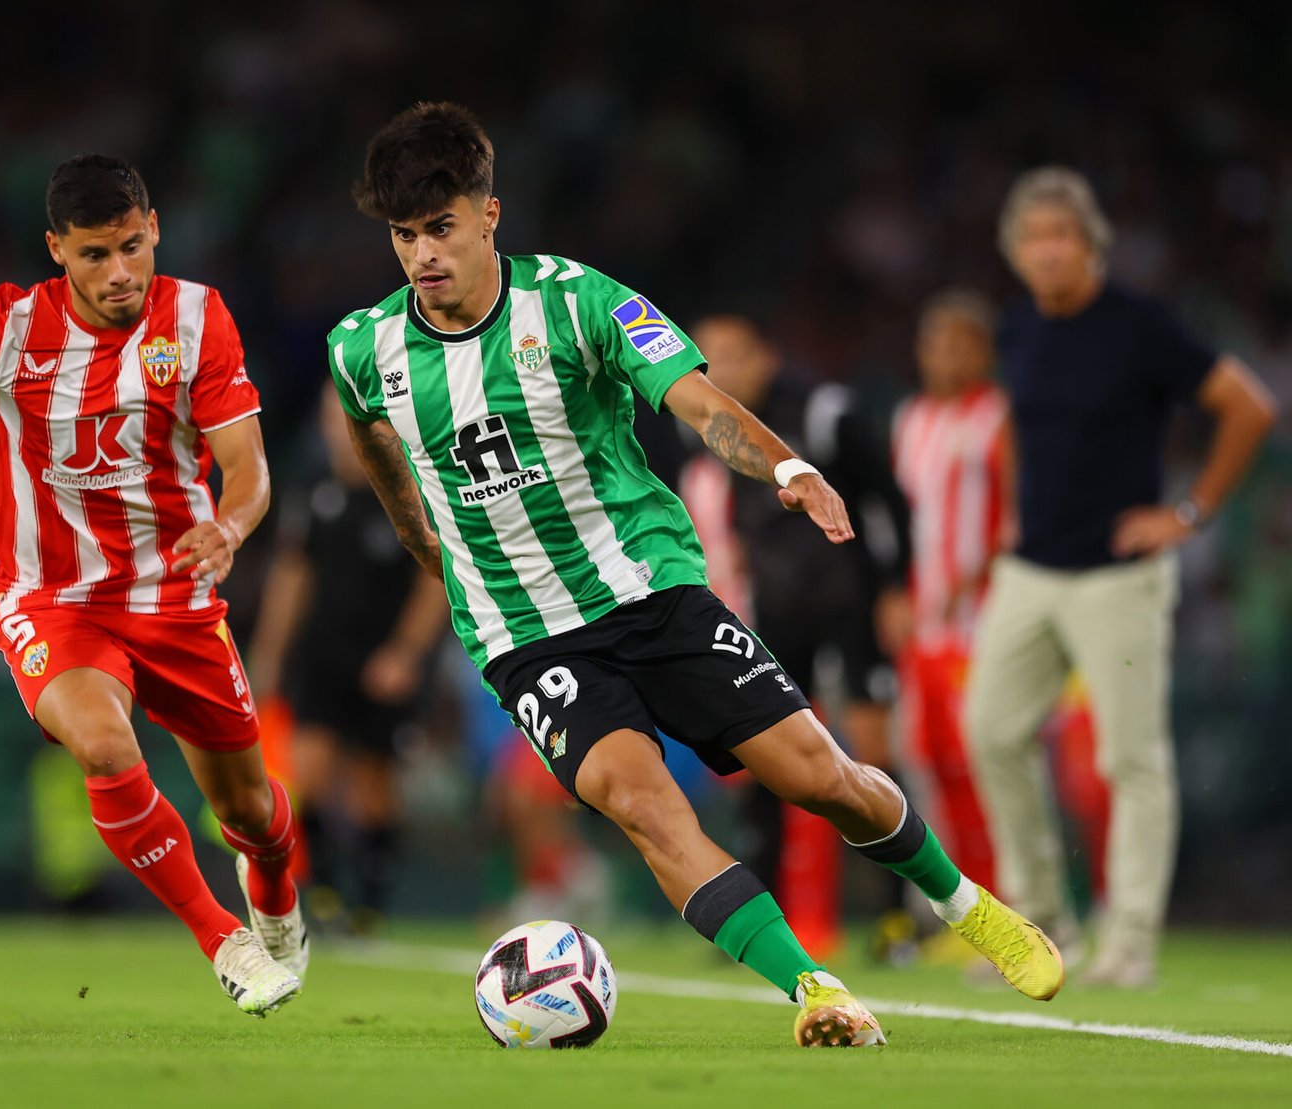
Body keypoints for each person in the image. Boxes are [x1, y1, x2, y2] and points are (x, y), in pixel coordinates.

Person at [328, 101, 1064, 1048]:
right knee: (643, 805)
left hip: (651, 590)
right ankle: (815, 989)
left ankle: (967, 905)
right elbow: (372, 438)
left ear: (489, 215)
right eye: (404, 235)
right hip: (526, 635)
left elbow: (699, 403)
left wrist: (788, 467)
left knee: (820, 775)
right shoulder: (366, 347)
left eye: (441, 228)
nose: (424, 254)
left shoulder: (580, 302)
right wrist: (423, 543)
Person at [0, 154, 307, 1017]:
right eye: (92, 255)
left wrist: (228, 526)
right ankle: (222, 939)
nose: (118, 273)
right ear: (56, 251)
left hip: (179, 595)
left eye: (129, 246)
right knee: (103, 742)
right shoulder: (2, 328)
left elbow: (248, 467)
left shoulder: (197, 318)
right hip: (54, 598)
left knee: (254, 813)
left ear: (153, 227)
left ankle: (270, 892)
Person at [966, 167, 1280, 988]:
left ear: (1090, 244)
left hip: (1120, 573)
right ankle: (1040, 922)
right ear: (1014, 251)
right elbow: (1014, 426)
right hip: (1032, 567)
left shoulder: (1140, 326)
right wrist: (1006, 516)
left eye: (1060, 235)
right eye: (1032, 238)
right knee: (990, 730)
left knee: (1129, 759)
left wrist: (1188, 514)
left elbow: (1248, 404)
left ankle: (1130, 939)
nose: (1046, 252)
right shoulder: (1018, 327)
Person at [687, 314, 913, 958]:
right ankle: (771, 920)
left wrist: (896, 588)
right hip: (780, 613)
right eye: (710, 359)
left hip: (851, 603)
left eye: (733, 354)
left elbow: (888, 500)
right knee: (770, 761)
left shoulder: (824, 411)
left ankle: (897, 918)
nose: (719, 371)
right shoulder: (717, 429)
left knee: (872, 755)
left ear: (767, 355)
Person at [249, 381, 449, 933]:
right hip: (322, 655)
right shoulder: (313, 493)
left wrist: (406, 654)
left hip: (384, 657)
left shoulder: (410, 492)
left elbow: (435, 583)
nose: (339, 434)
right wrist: (268, 651)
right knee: (305, 773)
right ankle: (326, 891)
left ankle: (372, 899)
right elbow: (293, 574)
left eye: (348, 423)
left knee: (373, 785)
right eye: (329, 422)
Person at [888, 290, 1009, 937]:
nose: (946, 355)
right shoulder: (910, 418)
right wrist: (895, 593)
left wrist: (981, 575)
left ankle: (1004, 900)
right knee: (923, 759)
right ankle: (947, 911)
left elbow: (1018, 510)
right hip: (921, 623)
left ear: (985, 352)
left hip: (980, 622)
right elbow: (899, 519)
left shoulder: (998, 417)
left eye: (961, 342)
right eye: (936, 341)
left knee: (980, 759)